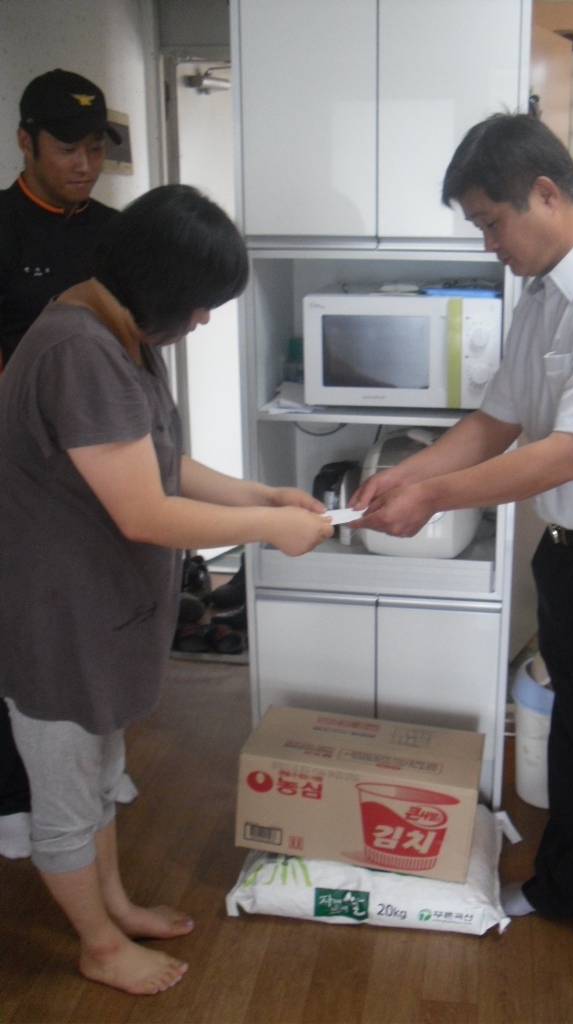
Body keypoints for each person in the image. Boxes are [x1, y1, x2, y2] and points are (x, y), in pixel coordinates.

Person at [352, 113, 573, 990]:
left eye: (491, 221)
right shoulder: (545, 295)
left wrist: (433, 499)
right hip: (572, 556)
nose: (489, 243)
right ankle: (564, 886)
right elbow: (496, 422)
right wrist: (403, 474)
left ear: (544, 194)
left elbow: (568, 453)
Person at [0, 184, 333, 995]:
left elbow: (158, 458)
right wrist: (269, 530)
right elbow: (145, 510)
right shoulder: (80, 351)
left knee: (100, 771)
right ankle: (98, 945)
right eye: (200, 303)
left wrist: (261, 495)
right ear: (159, 288)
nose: (204, 320)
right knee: (66, 797)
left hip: (97, 613)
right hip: (56, 622)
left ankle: (112, 904)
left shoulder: (113, 328)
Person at [0, 69, 122, 860]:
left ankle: (99, 778)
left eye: (95, 149)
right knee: (25, 642)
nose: (84, 165)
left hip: (103, 467)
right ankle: (17, 801)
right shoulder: (3, 228)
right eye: (67, 148)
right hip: (19, 470)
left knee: (98, 624)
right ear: (25, 142)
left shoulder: (116, 233)